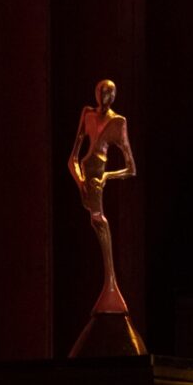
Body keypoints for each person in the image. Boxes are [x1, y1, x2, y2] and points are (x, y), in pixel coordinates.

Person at [68, 79, 136, 314]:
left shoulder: (118, 123)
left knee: (99, 220)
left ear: (114, 96)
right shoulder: (87, 114)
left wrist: (107, 176)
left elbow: (131, 168)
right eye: (100, 91)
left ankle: (111, 283)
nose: (103, 96)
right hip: (86, 178)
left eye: (108, 92)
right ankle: (110, 284)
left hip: (97, 178)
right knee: (95, 220)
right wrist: (80, 182)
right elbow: (73, 159)